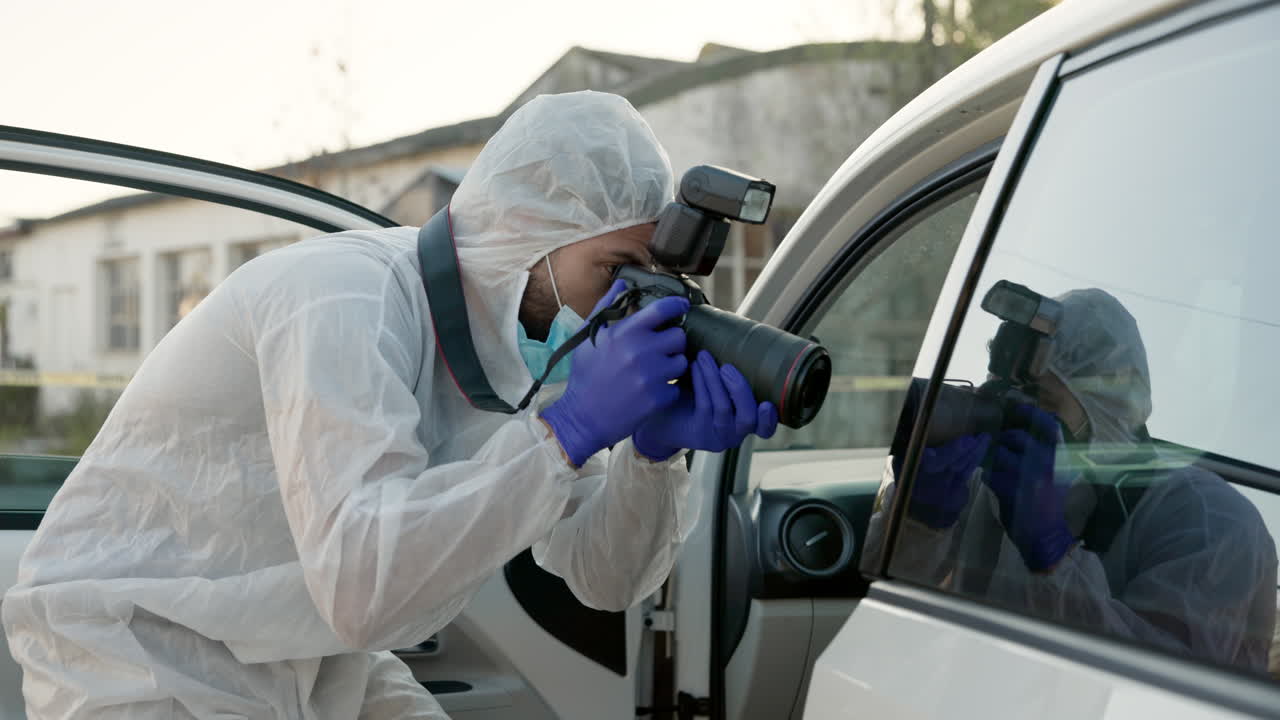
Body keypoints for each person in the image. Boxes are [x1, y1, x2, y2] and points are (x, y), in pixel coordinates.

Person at [2, 91, 778, 719]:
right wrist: (565, 435)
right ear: (526, 232)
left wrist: (649, 457)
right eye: (616, 269)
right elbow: (364, 589)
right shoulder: (342, 298)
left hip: (301, 656)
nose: (624, 305)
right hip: (137, 658)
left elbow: (603, 581)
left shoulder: (524, 352)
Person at [866, 287, 1277, 673]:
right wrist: (916, 521)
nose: (1013, 416)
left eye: (1040, 400)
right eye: (1004, 394)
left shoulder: (1209, 519)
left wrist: (1053, 556)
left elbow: (1163, 688)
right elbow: (874, 619)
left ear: (1108, 407)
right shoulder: (991, 483)